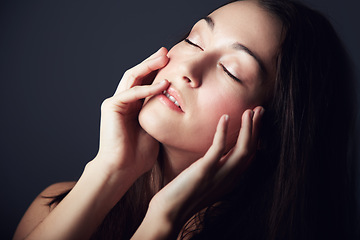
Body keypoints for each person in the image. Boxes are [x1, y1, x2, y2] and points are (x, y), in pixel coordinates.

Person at [13, 0, 358, 239]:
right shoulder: (57, 202)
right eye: (194, 40)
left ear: (270, 132)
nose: (188, 70)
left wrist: (164, 216)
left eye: (231, 71)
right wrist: (109, 171)